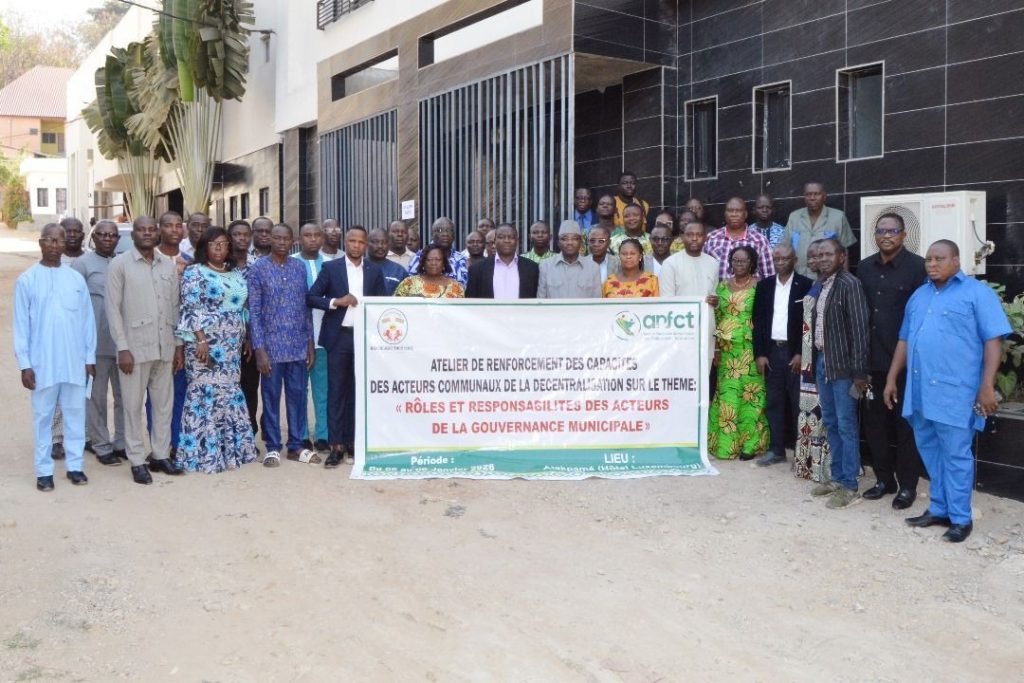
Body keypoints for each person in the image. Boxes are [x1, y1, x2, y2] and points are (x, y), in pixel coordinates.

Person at [884, 240, 1011, 543]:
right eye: (928, 259)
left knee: (955, 454)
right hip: (920, 392)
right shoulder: (919, 296)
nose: (932, 264)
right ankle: (939, 508)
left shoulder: (977, 293)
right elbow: (904, 340)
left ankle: (960, 518)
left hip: (956, 393)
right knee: (930, 451)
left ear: (956, 260)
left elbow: (993, 340)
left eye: (939, 258)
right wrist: (891, 379)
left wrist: (987, 386)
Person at [14, 223, 96, 490]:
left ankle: (75, 466)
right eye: (49, 240)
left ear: (64, 245)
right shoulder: (27, 280)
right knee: (43, 417)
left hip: (74, 362)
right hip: (42, 363)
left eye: (59, 241)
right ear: (41, 243)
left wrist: (89, 358)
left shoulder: (75, 279)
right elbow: (21, 326)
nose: (54, 245)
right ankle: (43, 471)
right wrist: (25, 364)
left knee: (75, 415)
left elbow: (87, 322)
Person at [106, 216, 185, 485]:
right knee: (132, 406)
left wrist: (178, 346)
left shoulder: (167, 265)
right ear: (133, 235)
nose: (148, 234)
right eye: (142, 230)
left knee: (163, 406)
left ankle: (160, 455)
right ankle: (137, 460)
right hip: (134, 349)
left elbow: (175, 307)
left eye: (152, 229)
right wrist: (122, 347)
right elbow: (112, 310)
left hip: (164, 347)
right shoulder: (120, 265)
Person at [176, 228, 258, 473]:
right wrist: (201, 340)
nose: (219, 248)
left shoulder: (235, 273)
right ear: (205, 247)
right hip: (206, 345)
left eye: (223, 243)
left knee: (229, 393)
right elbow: (190, 307)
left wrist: (246, 337)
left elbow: (243, 307)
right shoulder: (194, 272)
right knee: (205, 394)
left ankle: (229, 451)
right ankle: (204, 455)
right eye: (214, 244)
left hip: (231, 346)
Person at [858, 213, 926, 508]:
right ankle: (884, 480)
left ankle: (907, 486)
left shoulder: (918, 267)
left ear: (904, 235)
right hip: (871, 361)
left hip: (905, 364)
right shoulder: (864, 267)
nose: (886, 235)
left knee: (905, 426)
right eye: (881, 230)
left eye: (893, 230)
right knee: (875, 426)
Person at [307, 226, 387, 467]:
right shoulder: (331, 268)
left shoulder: (374, 271)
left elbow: (382, 304)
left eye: (361, 242)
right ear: (346, 242)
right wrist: (336, 301)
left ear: (366, 246)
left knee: (356, 392)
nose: (356, 245)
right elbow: (311, 297)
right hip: (338, 337)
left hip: (363, 338)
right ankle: (336, 446)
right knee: (336, 392)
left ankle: (353, 442)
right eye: (352, 241)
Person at [247, 223, 318, 468]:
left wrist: (310, 342)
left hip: (297, 345)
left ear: (292, 241)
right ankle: (273, 447)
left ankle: (296, 446)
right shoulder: (258, 269)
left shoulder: (298, 268)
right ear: (270, 240)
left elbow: (306, 308)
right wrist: (259, 349)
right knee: (271, 397)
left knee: (297, 397)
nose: (281, 242)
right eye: (276, 238)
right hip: (271, 348)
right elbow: (254, 312)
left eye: (285, 239)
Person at [809, 239, 870, 509]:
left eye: (829, 254)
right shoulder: (823, 284)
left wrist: (859, 373)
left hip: (845, 368)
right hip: (824, 362)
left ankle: (850, 485)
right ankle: (837, 477)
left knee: (846, 425)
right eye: (820, 255)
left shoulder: (850, 284)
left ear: (842, 257)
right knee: (831, 422)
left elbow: (860, 331)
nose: (823, 259)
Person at [752, 245, 813, 466]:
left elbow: (809, 322)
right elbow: (758, 322)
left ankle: (801, 453)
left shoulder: (806, 284)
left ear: (794, 260)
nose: (780, 262)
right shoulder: (765, 285)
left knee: (798, 403)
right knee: (774, 402)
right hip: (771, 352)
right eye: (776, 258)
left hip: (794, 352)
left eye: (785, 258)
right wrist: (760, 353)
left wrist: (800, 352)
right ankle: (776, 450)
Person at [71, 220, 126, 466]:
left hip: (123, 346)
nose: (107, 238)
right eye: (102, 234)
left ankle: (122, 443)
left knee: (125, 398)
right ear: (93, 238)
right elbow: (74, 306)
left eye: (112, 235)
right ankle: (101, 445)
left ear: (117, 239)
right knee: (96, 398)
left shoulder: (123, 263)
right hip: (95, 346)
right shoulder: (82, 264)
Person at [707, 246, 770, 460]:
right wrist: (716, 348)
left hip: (750, 350)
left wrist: (763, 351)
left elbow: (764, 319)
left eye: (743, 261)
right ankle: (726, 445)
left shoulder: (760, 286)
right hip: (727, 352)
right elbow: (716, 317)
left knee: (751, 397)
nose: (739, 264)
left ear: (752, 263)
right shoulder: (722, 286)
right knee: (728, 396)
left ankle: (750, 445)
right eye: (735, 260)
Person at [49, 216, 88, 459]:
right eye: (68, 231)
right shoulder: (52, 261)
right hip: (58, 335)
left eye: (76, 231)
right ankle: (56, 438)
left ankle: (84, 435)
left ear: (83, 235)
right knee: (57, 388)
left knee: (83, 389)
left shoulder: (89, 259)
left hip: (84, 334)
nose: (72, 235)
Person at [794, 241, 832, 482]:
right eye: (810, 256)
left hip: (824, 358)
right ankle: (807, 464)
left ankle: (825, 468)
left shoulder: (834, 285)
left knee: (825, 412)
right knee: (809, 412)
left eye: (819, 256)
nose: (814, 260)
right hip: (808, 357)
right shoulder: (815, 283)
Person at [292, 223, 330, 451]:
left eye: (317, 235)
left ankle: (323, 434)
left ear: (322, 239)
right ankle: (302, 434)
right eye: (307, 235)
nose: (313, 239)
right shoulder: (291, 263)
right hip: (296, 339)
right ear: (299, 239)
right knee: (299, 390)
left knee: (322, 389)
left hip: (324, 338)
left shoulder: (331, 264)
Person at [154, 211, 189, 455]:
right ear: (160, 229)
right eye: (169, 225)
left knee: (178, 393)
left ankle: (175, 444)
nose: (174, 230)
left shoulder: (191, 262)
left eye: (178, 226)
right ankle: (157, 446)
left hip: (183, 339)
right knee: (154, 396)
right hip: (154, 337)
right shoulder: (150, 259)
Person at [782, 183, 856, 277]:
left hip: (827, 278)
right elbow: (786, 248)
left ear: (824, 196)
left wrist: (845, 279)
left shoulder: (838, 217)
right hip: (799, 277)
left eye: (816, 194)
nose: (812, 198)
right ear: (804, 196)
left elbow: (844, 251)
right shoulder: (794, 217)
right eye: (808, 194)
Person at [228, 220, 260, 437]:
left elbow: (258, 305)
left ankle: (248, 435)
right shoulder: (221, 264)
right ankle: (229, 436)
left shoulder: (258, 265)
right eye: (237, 234)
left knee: (249, 387)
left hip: (251, 339)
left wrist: (250, 336)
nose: (241, 238)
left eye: (245, 234)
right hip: (225, 338)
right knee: (228, 389)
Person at [704, 197, 775, 280]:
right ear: (725, 214)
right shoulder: (711, 238)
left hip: (751, 288)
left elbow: (769, 276)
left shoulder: (759, 240)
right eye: (730, 211)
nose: (734, 214)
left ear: (745, 214)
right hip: (716, 288)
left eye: (738, 211)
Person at [466, 223, 539, 299]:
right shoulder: (477, 269)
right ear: (494, 241)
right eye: (501, 237)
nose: (506, 241)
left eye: (511, 237)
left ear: (517, 241)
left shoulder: (532, 268)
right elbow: (470, 300)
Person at [538, 220, 601, 299]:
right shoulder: (546, 266)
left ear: (580, 242)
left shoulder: (593, 267)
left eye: (574, 238)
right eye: (564, 239)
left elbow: (597, 301)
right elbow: (541, 301)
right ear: (558, 242)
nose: (569, 242)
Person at [407, 217, 468, 286]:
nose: (445, 234)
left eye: (449, 231)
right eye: (440, 230)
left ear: (454, 235)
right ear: (432, 235)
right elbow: (410, 286)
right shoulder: (420, 257)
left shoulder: (461, 260)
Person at [395, 242, 466, 298]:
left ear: (444, 263)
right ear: (423, 263)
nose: (433, 263)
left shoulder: (456, 287)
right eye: (429, 259)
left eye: (438, 260)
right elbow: (397, 305)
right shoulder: (409, 283)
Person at [368, 227, 409, 295]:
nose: (380, 246)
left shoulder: (399, 271)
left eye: (384, 242)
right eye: (376, 242)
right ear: (367, 243)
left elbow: (408, 296)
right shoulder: (358, 267)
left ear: (389, 245)